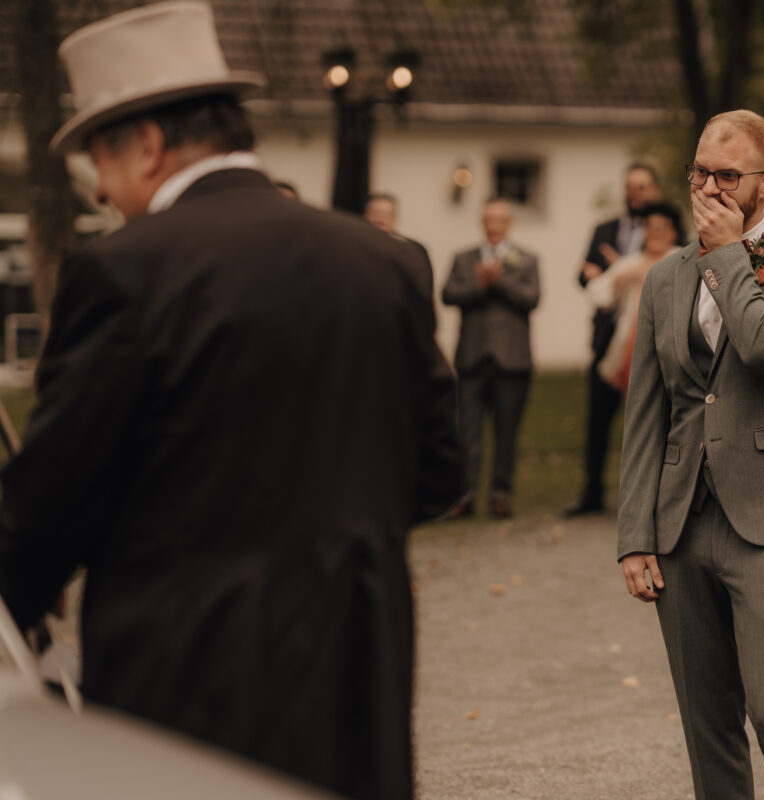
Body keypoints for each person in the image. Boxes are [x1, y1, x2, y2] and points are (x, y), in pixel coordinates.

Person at [0, 4, 464, 799]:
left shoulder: (125, 271)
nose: (107, 196)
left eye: (100, 169)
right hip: (358, 676)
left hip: (187, 687)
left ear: (145, 145)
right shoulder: (378, 263)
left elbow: (51, 506)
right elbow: (441, 473)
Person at [618, 109, 764, 800]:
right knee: (706, 718)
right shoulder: (664, 279)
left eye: (728, 175)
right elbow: (647, 414)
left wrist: (726, 253)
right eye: (700, 173)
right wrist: (636, 536)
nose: (710, 188)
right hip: (682, 520)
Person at [565, 163, 665, 516]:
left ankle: (651, 495)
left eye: (641, 187)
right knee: (598, 418)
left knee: (650, 421)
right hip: (608, 338)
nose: (634, 193)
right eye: (629, 187)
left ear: (654, 191)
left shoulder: (669, 227)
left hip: (653, 341)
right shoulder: (604, 228)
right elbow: (585, 274)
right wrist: (607, 273)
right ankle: (592, 491)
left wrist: (625, 269)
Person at [442, 197, 540, 518]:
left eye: (500, 220)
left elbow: (531, 298)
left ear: (508, 223)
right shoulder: (463, 257)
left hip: (511, 360)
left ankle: (501, 493)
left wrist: (499, 281)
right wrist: (479, 284)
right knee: (467, 431)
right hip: (472, 357)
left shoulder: (526, 259)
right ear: (482, 222)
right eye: (489, 220)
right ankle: (464, 494)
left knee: (506, 432)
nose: (494, 226)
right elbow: (448, 294)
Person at [585, 202, 683, 392]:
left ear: (673, 232)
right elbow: (599, 296)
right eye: (651, 227)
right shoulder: (630, 263)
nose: (656, 233)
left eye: (662, 227)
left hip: (673, 347)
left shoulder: (682, 260)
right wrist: (618, 281)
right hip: (632, 346)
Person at [363, 191, 434, 289]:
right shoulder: (353, 247)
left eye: (386, 214)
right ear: (365, 216)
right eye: (375, 213)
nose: (380, 219)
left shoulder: (414, 251)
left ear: (395, 217)